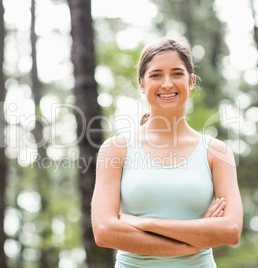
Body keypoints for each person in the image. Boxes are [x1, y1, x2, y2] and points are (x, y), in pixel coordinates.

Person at [91, 37, 243, 267]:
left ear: (191, 81)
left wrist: (147, 223)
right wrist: (192, 241)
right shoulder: (116, 150)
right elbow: (104, 231)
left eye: (177, 73)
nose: (167, 84)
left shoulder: (216, 152)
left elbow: (231, 229)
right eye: (156, 75)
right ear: (141, 84)